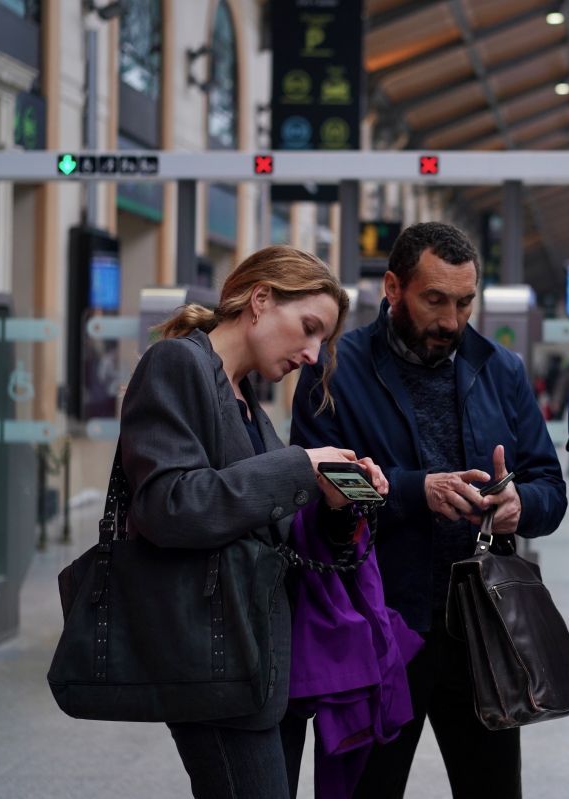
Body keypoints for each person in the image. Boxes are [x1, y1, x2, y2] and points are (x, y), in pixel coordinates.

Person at [291, 221, 567, 799]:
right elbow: (316, 490)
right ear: (393, 288)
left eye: (465, 302)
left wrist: (520, 504)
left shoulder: (500, 369)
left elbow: (550, 488)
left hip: (481, 628)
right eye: (435, 300)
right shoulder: (336, 368)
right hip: (380, 623)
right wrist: (420, 491)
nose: (451, 320)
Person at [119, 245, 389, 798]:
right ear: (261, 299)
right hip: (212, 663)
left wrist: (334, 504)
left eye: (322, 341)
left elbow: (269, 529)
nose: (312, 355)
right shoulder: (177, 364)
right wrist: (297, 466)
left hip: (257, 664)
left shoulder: (246, 401)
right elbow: (167, 504)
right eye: (309, 329)